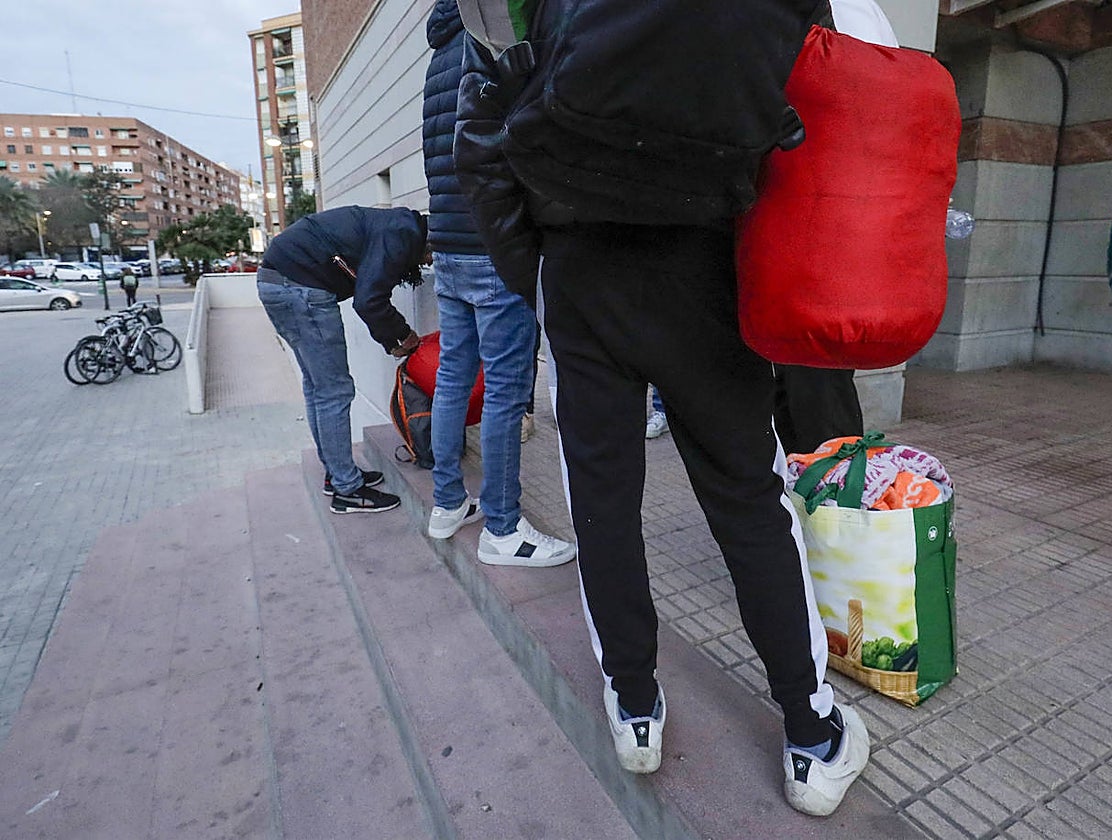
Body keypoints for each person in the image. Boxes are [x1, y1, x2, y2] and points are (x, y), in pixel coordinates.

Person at [454, 0, 867, 816]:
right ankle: (811, 732)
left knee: (602, 502)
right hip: (705, 256)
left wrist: (542, 275)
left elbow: (485, 129)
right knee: (749, 499)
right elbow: (814, 88)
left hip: (580, 258)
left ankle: (636, 707)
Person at [421, 0, 575, 567]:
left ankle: (446, 504)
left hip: (449, 241)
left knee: (454, 376)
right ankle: (503, 529)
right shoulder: (487, 32)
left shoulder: (439, 50)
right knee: (506, 391)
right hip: (492, 239)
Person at [772, 0, 898, 457]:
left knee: (811, 373)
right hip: (835, 220)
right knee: (811, 372)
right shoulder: (867, 13)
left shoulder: (848, 13)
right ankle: (824, 478)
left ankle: (829, 480)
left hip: (807, 216)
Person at [257, 205, 428, 514]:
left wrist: (391, 340)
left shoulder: (396, 225)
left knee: (318, 388)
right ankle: (347, 489)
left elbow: (369, 290)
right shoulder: (404, 233)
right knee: (334, 391)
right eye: (431, 257)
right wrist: (403, 336)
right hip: (299, 288)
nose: (429, 263)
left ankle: (337, 473)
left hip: (279, 281)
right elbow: (369, 299)